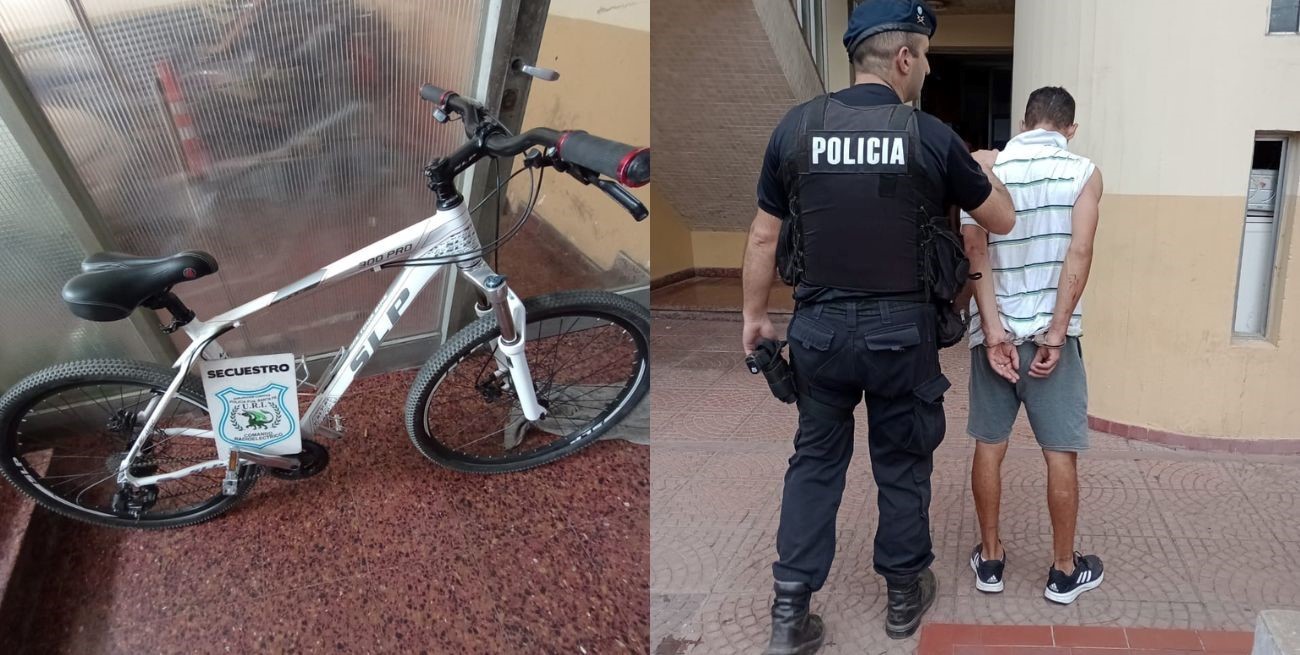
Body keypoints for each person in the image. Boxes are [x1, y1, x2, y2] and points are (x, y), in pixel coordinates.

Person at [740, 0, 1015, 649]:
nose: (925, 69)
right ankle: (901, 598)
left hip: (819, 333)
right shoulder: (931, 135)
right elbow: (1000, 218)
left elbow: (761, 237)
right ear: (902, 58)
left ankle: (789, 613)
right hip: (902, 335)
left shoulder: (796, 127)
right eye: (923, 57)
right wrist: (986, 168)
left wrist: (754, 317)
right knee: (901, 463)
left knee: (814, 463)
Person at [961, 86, 1105, 605]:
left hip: (992, 340)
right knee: (1059, 454)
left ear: (1025, 122)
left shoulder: (983, 169)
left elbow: (973, 246)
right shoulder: (1083, 172)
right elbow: (1080, 252)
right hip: (1052, 345)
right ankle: (1064, 572)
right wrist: (1056, 333)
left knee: (989, 446)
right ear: (1069, 129)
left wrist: (994, 331)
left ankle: (991, 561)